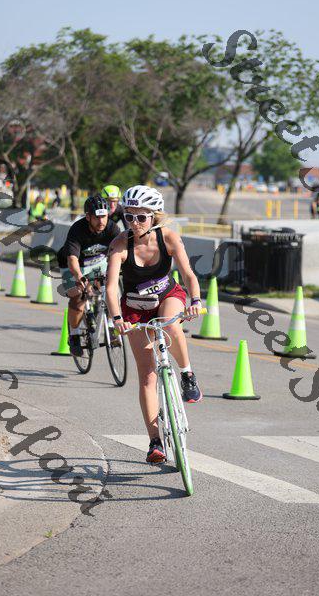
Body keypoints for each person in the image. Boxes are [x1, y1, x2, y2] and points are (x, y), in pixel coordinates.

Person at [106, 185, 203, 464]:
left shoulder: (168, 238)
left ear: (154, 217)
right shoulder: (119, 244)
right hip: (134, 308)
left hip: (167, 296)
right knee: (147, 376)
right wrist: (117, 319)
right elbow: (111, 288)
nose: (134, 223)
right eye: (129, 217)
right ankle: (154, 441)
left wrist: (195, 300)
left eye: (141, 217)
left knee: (171, 325)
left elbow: (188, 274)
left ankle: (187, 374)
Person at [57, 194, 120, 356]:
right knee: (78, 297)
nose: (101, 221)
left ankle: (111, 327)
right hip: (74, 264)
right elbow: (72, 259)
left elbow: (119, 253)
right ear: (88, 217)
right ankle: (74, 335)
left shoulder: (112, 228)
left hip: (98, 261)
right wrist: (79, 277)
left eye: (104, 216)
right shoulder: (77, 230)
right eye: (97, 217)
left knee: (111, 290)